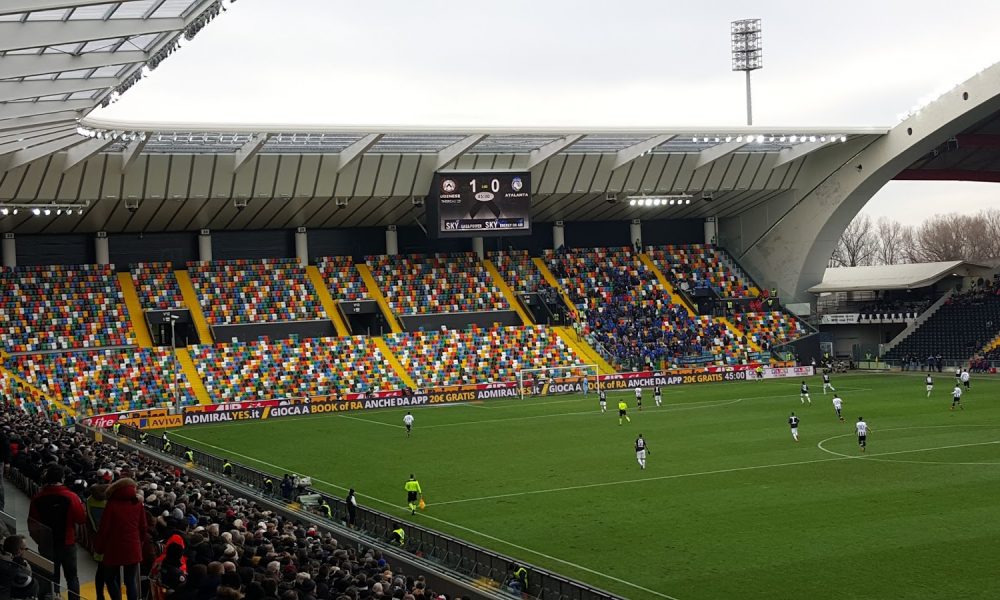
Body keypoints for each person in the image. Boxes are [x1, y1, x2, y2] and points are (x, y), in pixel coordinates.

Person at [28, 465, 85, 600]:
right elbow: (81, 519)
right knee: (72, 577)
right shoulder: (72, 497)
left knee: (50, 577)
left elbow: (32, 524)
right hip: (67, 543)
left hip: (47, 544)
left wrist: (41, 540)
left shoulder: (37, 498)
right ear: (62, 478)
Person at [94, 477, 148, 600]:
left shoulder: (111, 504)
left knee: (110, 578)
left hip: (114, 548)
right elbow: (143, 527)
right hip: (133, 548)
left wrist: (99, 548)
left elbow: (104, 529)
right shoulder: (137, 504)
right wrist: (139, 543)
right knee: (130, 581)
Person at [0, 535, 38, 600]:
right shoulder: (15, 567)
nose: (24, 552)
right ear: (18, 550)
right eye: (24, 549)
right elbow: (30, 583)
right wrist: (23, 565)